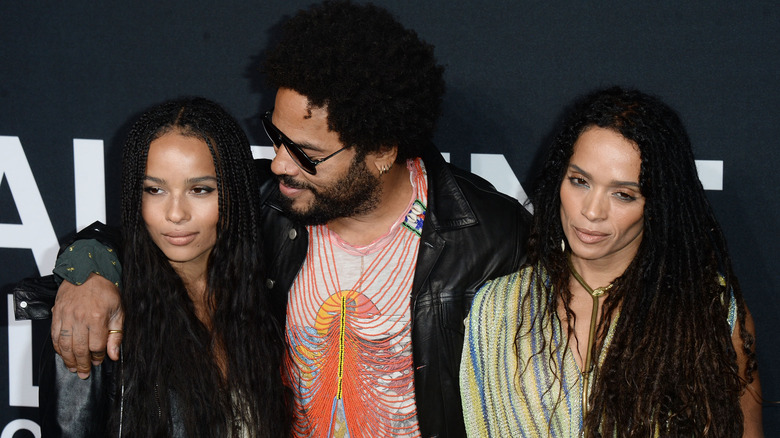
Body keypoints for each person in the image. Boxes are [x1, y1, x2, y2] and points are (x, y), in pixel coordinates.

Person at [32, 2, 531, 437]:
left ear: (381, 150)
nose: (279, 164)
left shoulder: (492, 240)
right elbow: (159, 231)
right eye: (275, 136)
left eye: (306, 153)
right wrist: (89, 268)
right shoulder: (268, 202)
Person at [459, 87, 763, 436]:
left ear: (657, 205)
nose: (591, 211)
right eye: (579, 181)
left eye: (623, 194)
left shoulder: (710, 313)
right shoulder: (498, 308)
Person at [25, 97, 289, 437]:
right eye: (155, 189)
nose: (175, 214)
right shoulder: (94, 320)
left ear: (234, 194)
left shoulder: (266, 301)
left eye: (199, 189)